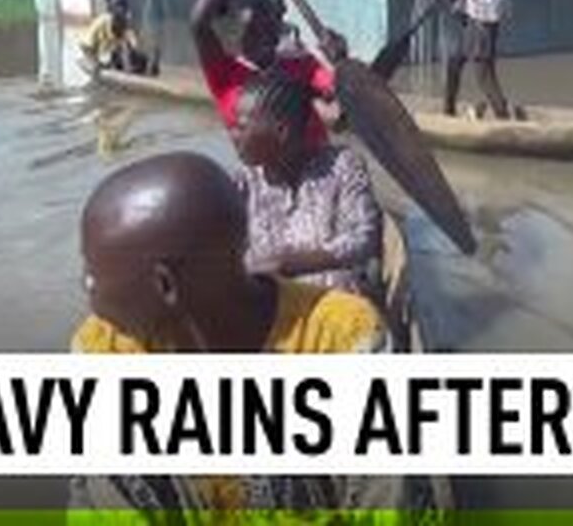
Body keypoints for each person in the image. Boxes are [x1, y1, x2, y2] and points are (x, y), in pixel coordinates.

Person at [68, 151, 413, 515]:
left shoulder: (342, 342)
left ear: (164, 284)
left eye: (93, 274)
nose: (86, 285)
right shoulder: (103, 352)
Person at [190, 0, 346, 150]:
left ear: (277, 29)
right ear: (233, 37)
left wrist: (342, 65)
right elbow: (198, 23)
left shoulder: (302, 67)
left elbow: (340, 118)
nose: (261, 37)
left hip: (314, 174)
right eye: (249, 31)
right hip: (263, 180)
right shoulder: (225, 75)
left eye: (267, 27)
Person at [230, 68, 382, 296]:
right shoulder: (243, 182)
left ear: (281, 132)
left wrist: (293, 264)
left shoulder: (342, 166)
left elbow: (365, 238)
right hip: (270, 309)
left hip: (335, 309)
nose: (233, 134)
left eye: (242, 126)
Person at [80, 0, 156, 76]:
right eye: (117, 6)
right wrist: (94, 61)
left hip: (109, 49)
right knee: (96, 67)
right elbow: (86, 47)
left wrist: (128, 68)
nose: (121, 10)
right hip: (91, 49)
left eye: (122, 7)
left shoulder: (125, 24)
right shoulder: (101, 22)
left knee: (133, 57)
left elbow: (125, 47)